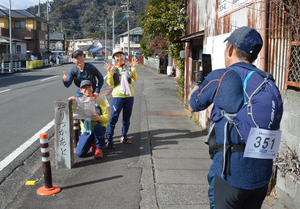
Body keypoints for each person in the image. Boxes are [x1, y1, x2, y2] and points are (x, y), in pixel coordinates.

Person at [189, 26, 283, 209]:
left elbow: (194, 104)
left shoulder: (222, 75)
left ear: (231, 49)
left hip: (231, 174)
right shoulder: (267, 80)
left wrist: (199, 82)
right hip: (261, 175)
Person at [104, 48, 138, 149]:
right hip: (117, 97)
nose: (119, 57)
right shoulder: (114, 68)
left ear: (124, 55)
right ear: (114, 58)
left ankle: (124, 136)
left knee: (126, 119)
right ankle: (109, 139)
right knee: (113, 118)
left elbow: (135, 79)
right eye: (117, 56)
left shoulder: (128, 66)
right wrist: (110, 73)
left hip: (129, 96)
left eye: (121, 55)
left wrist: (133, 68)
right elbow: (110, 83)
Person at [68, 80, 110, 159]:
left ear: (92, 88)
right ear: (81, 90)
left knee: (97, 128)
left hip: (98, 128)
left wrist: (99, 118)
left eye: (89, 87)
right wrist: (70, 102)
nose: (87, 89)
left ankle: (99, 148)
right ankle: (92, 142)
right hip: (87, 130)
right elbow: (71, 114)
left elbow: (107, 116)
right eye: (84, 88)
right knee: (80, 153)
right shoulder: (78, 101)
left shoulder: (100, 100)